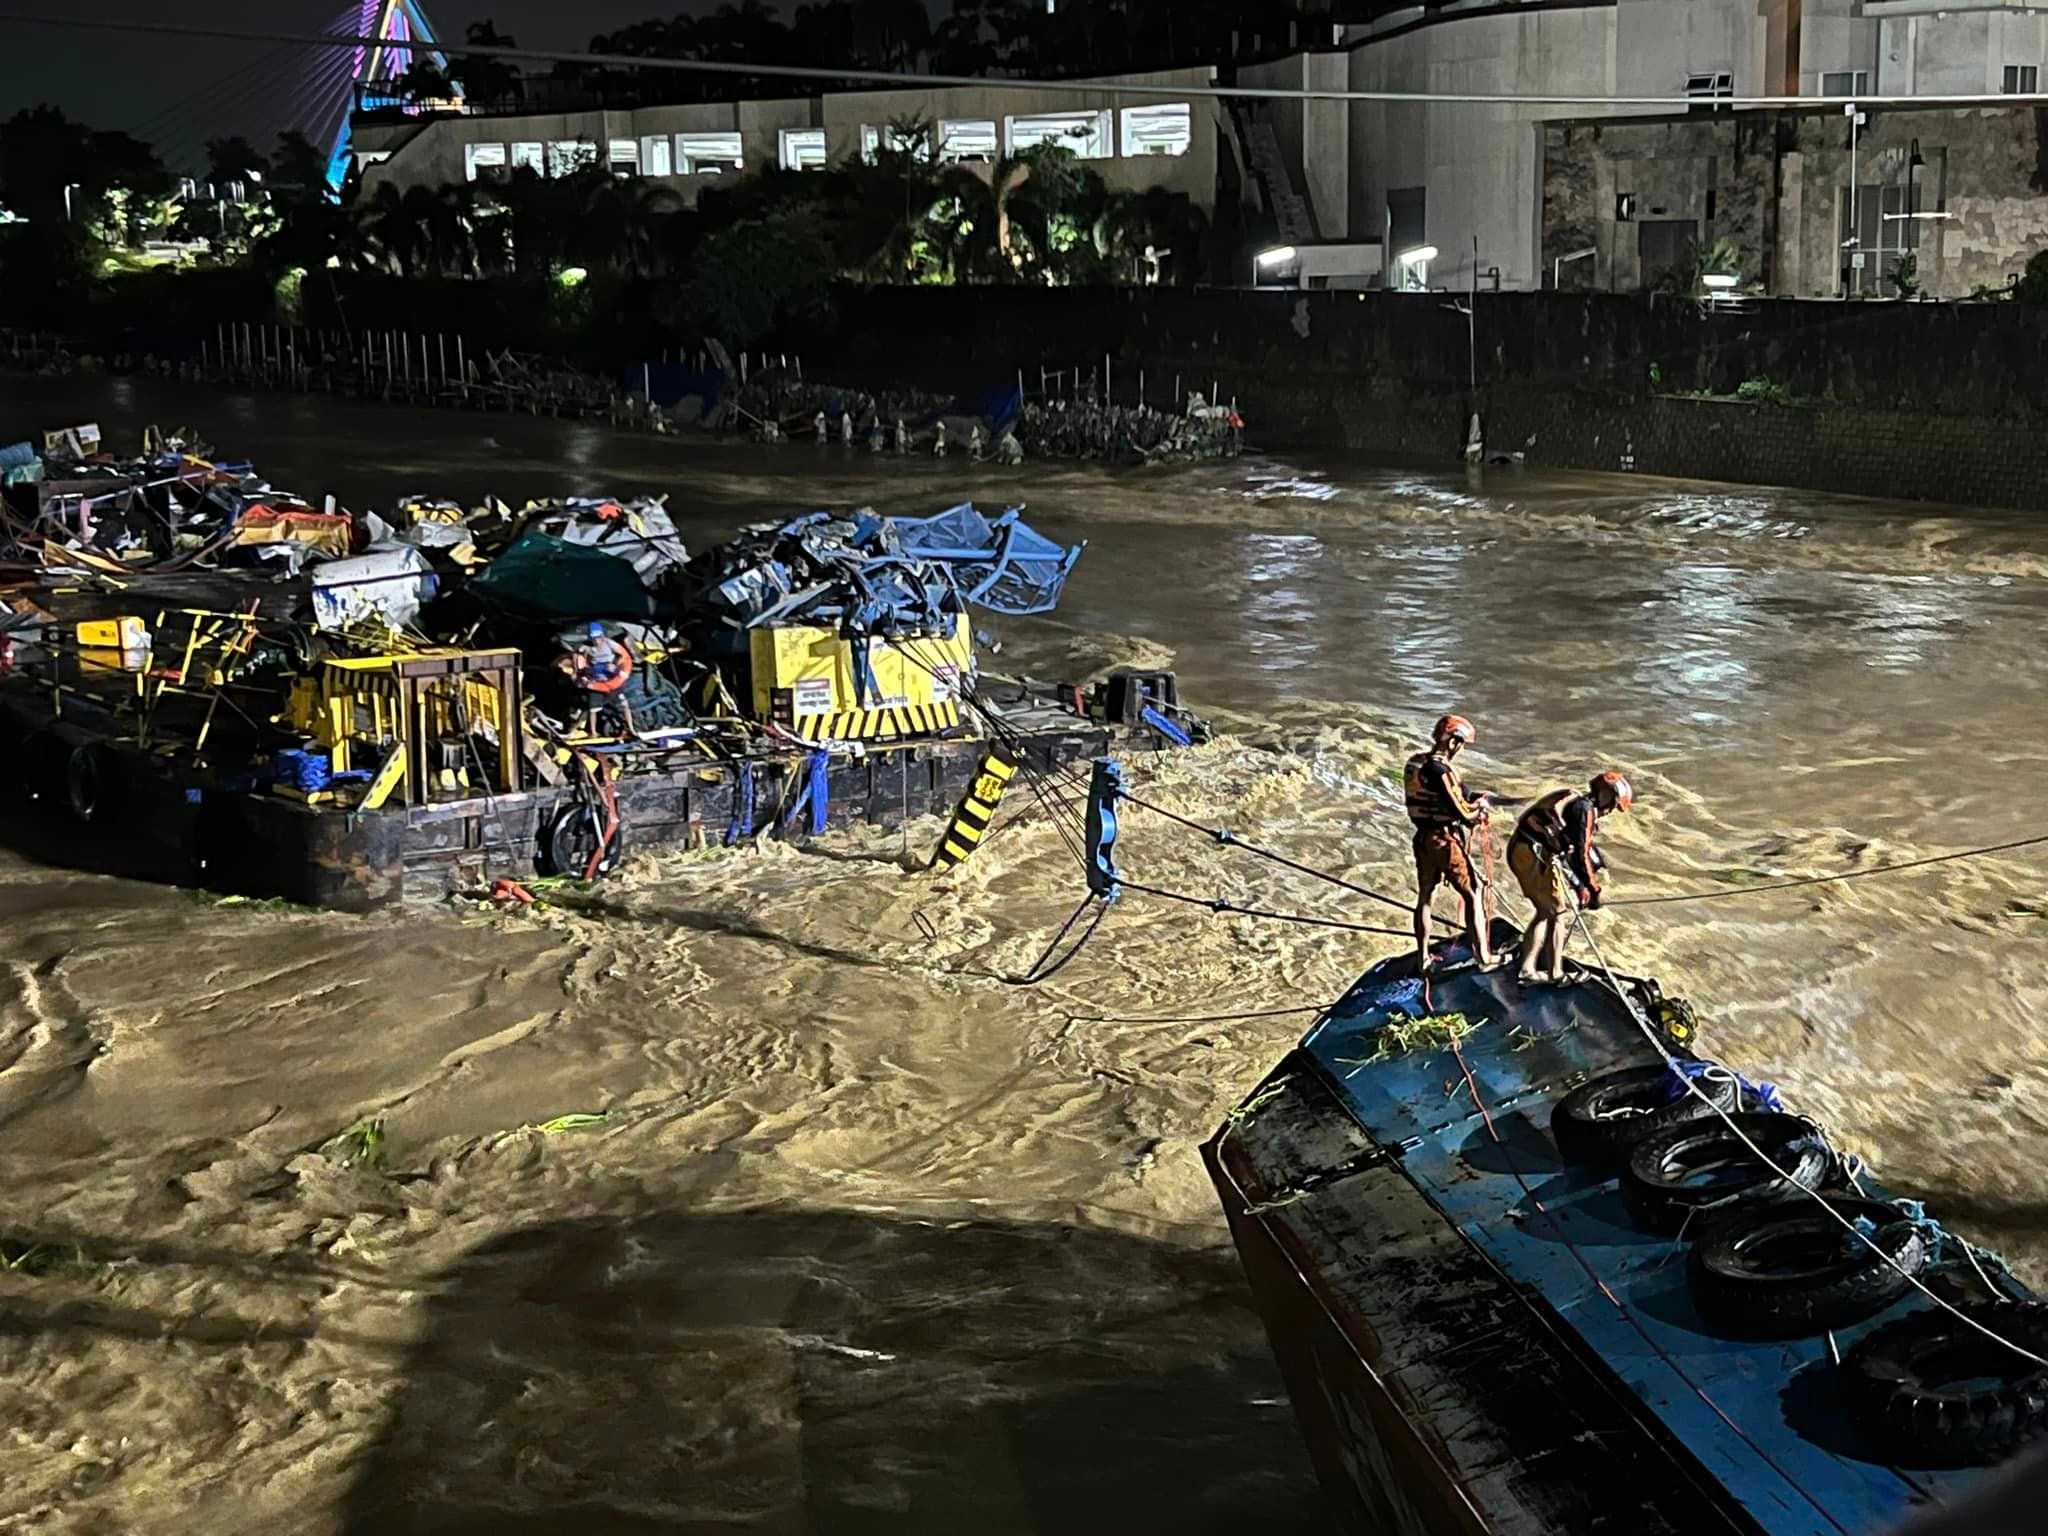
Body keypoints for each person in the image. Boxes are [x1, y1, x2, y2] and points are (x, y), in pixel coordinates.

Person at [1508, 769, 1633, 985]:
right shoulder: (1584, 810)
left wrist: (1581, 887)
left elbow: (1572, 855)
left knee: (1548, 911)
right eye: (1613, 805)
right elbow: (1581, 856)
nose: (1611, 810)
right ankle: (1552, 972)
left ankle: (1535, 966)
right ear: (1606, 797)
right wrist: (1593, 889)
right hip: (1532, 853)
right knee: (1557, 912)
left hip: (1522, 848)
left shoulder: (1579, 805)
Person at [1404, 714, 1494, 972]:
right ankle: (1484, 958)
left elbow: (1452, 795)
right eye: (1462, 744)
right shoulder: (1440, 769)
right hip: (1443, 839)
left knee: (1425, 897)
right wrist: (1479, 811)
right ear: (1453, 741)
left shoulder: (1417, 763)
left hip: (1422, 838)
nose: (1461, 749)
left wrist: (1473, 799)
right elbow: (1463, 815)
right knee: (1472, 894)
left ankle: (1423, 958)